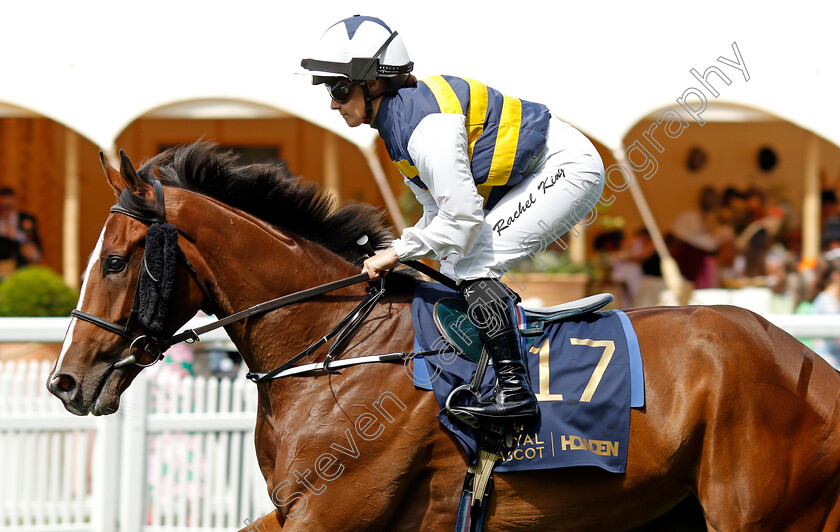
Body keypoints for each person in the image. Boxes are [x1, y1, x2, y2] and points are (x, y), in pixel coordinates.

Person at [301, 16, 605, 421]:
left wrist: (397, 253)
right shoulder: (397, 124)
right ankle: (483, 373)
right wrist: (399, 249)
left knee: (474, 261)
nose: (333, 103)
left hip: (566, 167)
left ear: (375, 83)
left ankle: (515, 393)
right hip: (536, 170)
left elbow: (462, 220)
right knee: (452, 264)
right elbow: (436, 213)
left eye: (340, 89)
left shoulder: (425, 129)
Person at [0, 186, 42, 278]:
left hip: (20, 272)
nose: (5, 211)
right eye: (2, 207)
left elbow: (37, 251)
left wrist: (32, 253)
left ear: (15, 202)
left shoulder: (26, 220)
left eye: (8, 207)